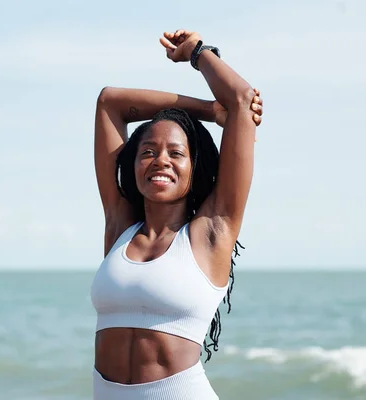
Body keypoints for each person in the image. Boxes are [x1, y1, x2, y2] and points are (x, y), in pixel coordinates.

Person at [90, 29, 263, 400]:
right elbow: (110, 103)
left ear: (195, 166)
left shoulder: (211, 232)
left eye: (176, 152)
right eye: (148, 151)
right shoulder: (119, 226)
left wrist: (197, 53)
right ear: (132, 164)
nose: (160, 161)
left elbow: (241, 98)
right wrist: (205, 110)